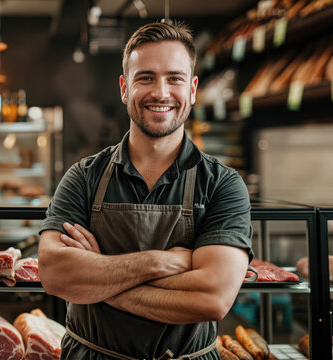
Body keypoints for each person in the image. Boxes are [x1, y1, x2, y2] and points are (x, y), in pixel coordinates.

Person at [38, 21, 253, 360]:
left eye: (175, 78)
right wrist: (161, 263)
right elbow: (54, 274)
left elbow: (211, 298)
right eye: (146, 77)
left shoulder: (222, 184)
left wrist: (98, 280)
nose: (161, 92)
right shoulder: (83, 177)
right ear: (125, 88)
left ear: (193, 89)